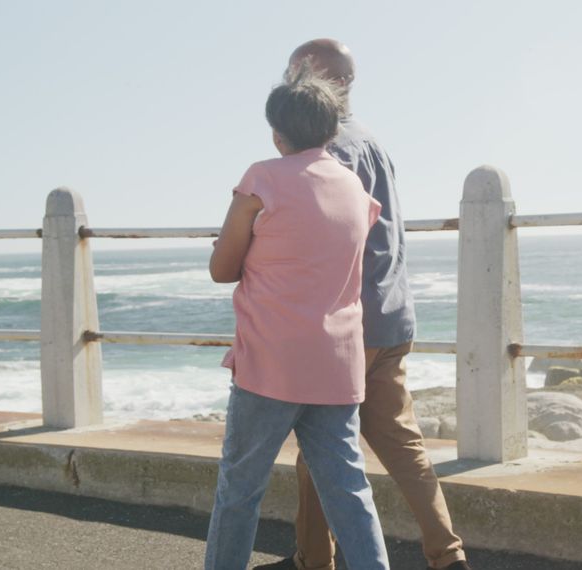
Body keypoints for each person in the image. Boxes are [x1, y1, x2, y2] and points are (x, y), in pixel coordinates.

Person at [256, 39, 471, 570]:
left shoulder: (328, 152)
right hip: (393, 312)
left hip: (348, 324)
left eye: (291, 70)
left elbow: (324, 243)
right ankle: (447, 554)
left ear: (309, 76)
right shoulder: (371, 140)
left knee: (320, 448)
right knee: (402, 444)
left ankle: (315, 559)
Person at [203, 63, 389, 570]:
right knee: (349, 489)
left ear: (276, 131)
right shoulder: (355, 189)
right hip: (336, 364)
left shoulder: (262, 177)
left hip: (270, 361)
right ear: (333, 129)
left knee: (240, 489)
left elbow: (223, 269)